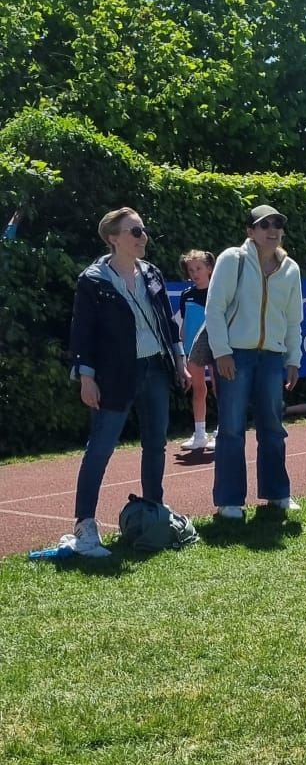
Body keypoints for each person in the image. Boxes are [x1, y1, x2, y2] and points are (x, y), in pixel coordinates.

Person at [63, 208, 189, 558]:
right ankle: (85, 526)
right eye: (135, 231)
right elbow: (82, 332)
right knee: (100, 448)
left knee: (156, 444)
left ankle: (155, 512)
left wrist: (179, 361)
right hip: (115, 374)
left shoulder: (152, 273)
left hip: (156, 369)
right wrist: (86, 377)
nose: (142, 237)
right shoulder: (93, 280)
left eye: (143, 230)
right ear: (113, 238)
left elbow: (167, 321)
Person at [204, 206, 305, 520]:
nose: (272, 230)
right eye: (264, 225)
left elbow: (293, 320)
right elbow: (214, 308)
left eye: (277, 224)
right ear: (250, 231)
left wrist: (293, 359)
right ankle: (229, 501)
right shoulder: (231, 259)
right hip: (236, 355)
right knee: (232, 429)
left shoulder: (291, 269)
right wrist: (222, 352)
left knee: (273, 428)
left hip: (272, 358)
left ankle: (278, 494)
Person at [177, 249, 215, 455]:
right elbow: (184, 326)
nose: (195, 273)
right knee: (198, 389)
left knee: (220, 388)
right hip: (193, 349)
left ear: (209, 268)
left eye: (198, 268)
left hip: (216, 346)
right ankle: (200, 434)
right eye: (191, 270)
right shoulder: (186, 295)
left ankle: (222, 431)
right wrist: (183, 349)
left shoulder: (217, 292)